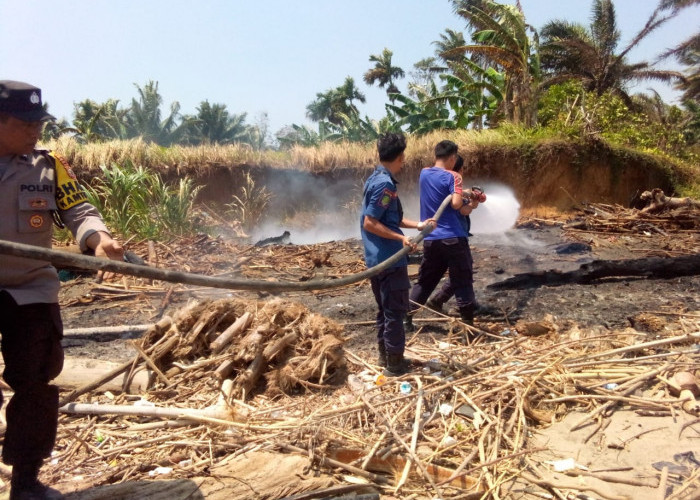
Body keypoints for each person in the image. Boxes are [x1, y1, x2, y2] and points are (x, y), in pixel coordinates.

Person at [0, 80, 124, 500]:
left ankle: (26, 483)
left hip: (31, 290)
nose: (36, 130)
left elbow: (78, 209)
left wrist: (98, 240)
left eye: (40, 122)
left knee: (36, 384)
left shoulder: (50, 166)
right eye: (25, 123)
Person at [361, 132, 434, 377]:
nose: (404, 162)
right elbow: (370, 223)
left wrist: (418, 225)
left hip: (377, 259)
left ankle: (386, 356)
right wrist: (401, 239)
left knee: (385, 310)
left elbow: (390, 219)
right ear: (399, 157)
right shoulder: (385, 185)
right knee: (395, 310)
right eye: (403, 158)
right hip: (388, 260)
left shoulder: (375, 179)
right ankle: (394, 363)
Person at [406, 141, 479, 331]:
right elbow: (456, 205)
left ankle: (406, 319)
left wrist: (468, 201)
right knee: (462, 279)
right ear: (453, 157)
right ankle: (468, 326)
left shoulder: (424, 173)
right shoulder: (454, 176)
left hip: (431, 238)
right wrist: (471, 203)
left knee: (425, 281)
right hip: (453, 237)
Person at [425, 154, 482, 315]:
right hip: (453, 237)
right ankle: (457, 305)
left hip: (437, 236)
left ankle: (442, 301)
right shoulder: (454, 182)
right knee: (463, 271)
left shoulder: (438, 182)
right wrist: (473, 202)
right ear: (460, 169)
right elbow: (463, 210)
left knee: (462, 269)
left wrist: (471, 199)